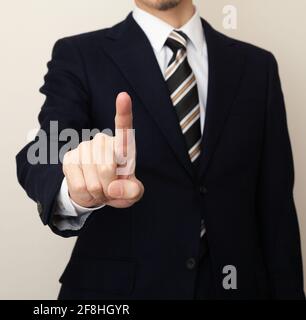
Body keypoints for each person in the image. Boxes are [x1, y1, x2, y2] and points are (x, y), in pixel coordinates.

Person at [16, 0, 305, 299]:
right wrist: (76, 186)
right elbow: (45, 150)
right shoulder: (79, 55)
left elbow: (276, 208)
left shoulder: (258, 66)